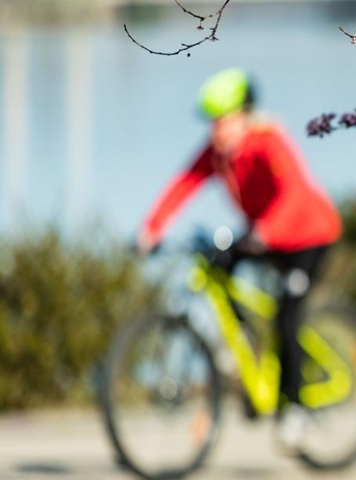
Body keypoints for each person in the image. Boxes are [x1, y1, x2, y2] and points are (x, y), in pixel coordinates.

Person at [136, 68, 342, 448]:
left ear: (244, 115)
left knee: (286, 314)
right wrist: (151, 229)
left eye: (223, 120)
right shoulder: (216, 154)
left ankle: (294, 408)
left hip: (307, 236)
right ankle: (244, 354)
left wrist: (264, 230)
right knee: (218, 272)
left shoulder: (268, 142)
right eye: (212, 122)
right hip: (262, 238)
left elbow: (294, 193)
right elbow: (184, 183)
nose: (216, 130)